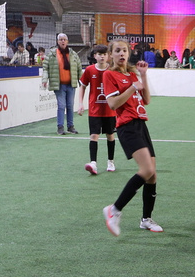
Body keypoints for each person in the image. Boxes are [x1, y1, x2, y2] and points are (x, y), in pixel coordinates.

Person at [101, 40, 163, 235]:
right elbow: (112, 104)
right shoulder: (109, 75)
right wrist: (132, 88)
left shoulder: (133, 74)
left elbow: (147, 100)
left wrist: (143, 76)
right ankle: (114, 210)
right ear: (111, 54)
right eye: (117, 51)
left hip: (141, 125)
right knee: (146, 169)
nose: (121, 54)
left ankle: (146, 219)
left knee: (152, 175)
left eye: (124, 51)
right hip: (127, 127)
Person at [79, 45, 118, 175]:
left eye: (104, 54)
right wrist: (80, 103)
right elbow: (83, 86)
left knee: (110, 135)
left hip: (109, 110)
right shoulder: (89, 70)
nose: (102, 56)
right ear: (95, 56)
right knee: (94, 135)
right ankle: (93, 163)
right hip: (94, 110)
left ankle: (110, 161)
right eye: (99, 54)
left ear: (108, 56)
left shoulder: (112, 70)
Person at [45, 33, 82, 135]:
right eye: (61, 39)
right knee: (61, 106)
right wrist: (44, 79)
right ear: (57, 41)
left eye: (64, 39)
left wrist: (82, 82)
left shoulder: (73, 54)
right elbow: (45, 67)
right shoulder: (52, 54)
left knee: (70, 106)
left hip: (71, 84)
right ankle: (60, 127)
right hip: (59, 85)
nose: (63, 41)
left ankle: (70, 126)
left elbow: (79, 68)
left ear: (67, 41)